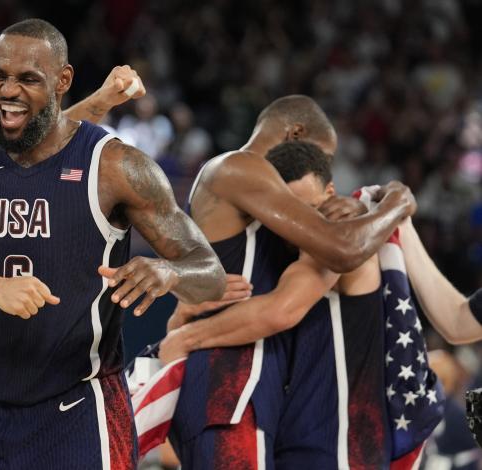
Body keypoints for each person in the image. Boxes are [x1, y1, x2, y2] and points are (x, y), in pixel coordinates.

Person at [0, 19, 225, 468]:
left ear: (63, 81)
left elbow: (210, 274)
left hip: (78, 412)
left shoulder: (115, 167)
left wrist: (169, 272)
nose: (8, 90)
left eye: (28, 79)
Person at [164, 94, 416, 468]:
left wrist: (356, 208)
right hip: (228, 384)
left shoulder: (265, 208)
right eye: (322, 156)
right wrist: (395, 201)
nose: (319, 167)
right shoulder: (237, 167)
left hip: (248, 386)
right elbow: (341, 248)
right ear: (295, 133)